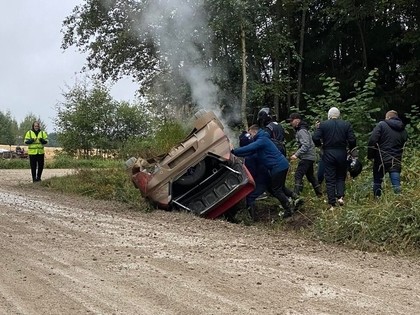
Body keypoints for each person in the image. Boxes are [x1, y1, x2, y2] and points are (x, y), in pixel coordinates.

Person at [231, 125, 296, 219]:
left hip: (278, 167)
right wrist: (235, 153)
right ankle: (295, 198)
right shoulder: (262, 138)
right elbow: (249, 152)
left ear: (254, 132)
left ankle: (289, 209)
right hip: (280, 165)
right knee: (279, 188)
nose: (250, 136)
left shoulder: (261, 140)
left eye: (250, 133)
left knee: (276, 190)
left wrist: (233, 151)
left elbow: (250, 148)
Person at [312, 107, 356, 209]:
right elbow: (352, 140)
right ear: (339, 115)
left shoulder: (323, 125)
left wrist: (320, 145)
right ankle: (340, 197)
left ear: (329, 115)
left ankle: (331, 203)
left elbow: (315, 138)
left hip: (328, 152)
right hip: (342, 152)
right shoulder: (346, 124)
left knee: (330, 178)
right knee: (341, 176)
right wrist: (350, 148)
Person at [367, 110, 408, 197]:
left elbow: (373, 140)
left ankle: (377, 200)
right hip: (395, 160)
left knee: (377, 182)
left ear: (388, 117)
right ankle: (399, 200)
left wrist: (370, 155)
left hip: (380, 159)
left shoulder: (382, 125)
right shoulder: (403, 129)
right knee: (396, 184)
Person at [287, 113, 322, 197]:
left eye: (292, 121)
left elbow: (306, 145)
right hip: (310, 156)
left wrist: (296, 154)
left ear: (297, 120)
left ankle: (296, 196)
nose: (291, 123)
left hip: (307, 157)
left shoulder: (302, 130)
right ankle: (319, 194)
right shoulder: (303, 129)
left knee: (298, 175)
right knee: (310, 176)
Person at [238, 131, 270, 220]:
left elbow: (252, 175)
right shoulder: (256, 150)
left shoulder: (250, 158)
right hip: (268, 176)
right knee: (277, 191)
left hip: (262, 180)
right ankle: (293, 199)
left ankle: (252, 219)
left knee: (250, 197)